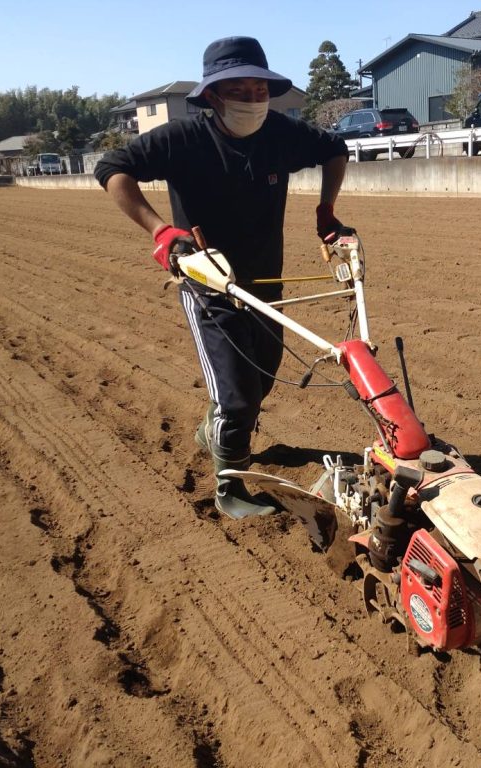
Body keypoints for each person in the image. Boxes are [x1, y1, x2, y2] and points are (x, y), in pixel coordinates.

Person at [94, 36, 350, 519]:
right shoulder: (182, 140)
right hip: (207, 280)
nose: (254, 101)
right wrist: (162, 232)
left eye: (261, 90)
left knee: (263, 376)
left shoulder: (281, 133)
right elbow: (113, 168)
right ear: (213, 96)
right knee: (237, 395)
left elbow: (335, 148)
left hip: (265, 282)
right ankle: (230, 487)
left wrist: (326, 212)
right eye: (241, 90)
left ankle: (217, 429)